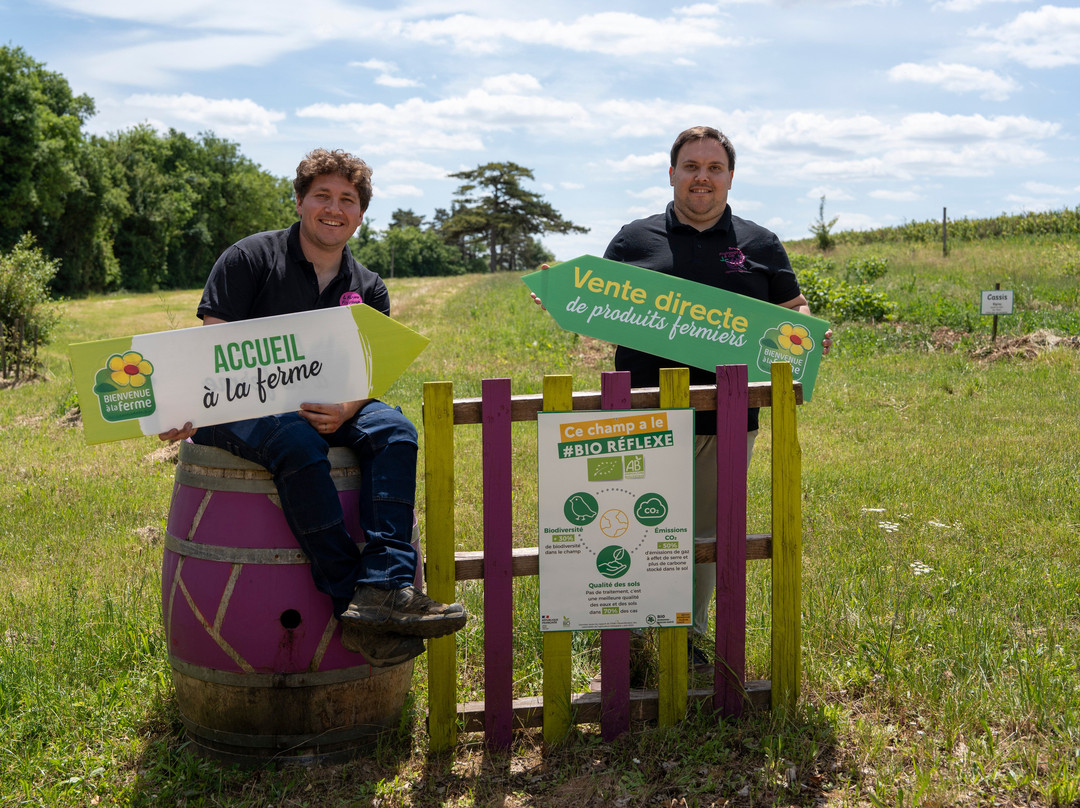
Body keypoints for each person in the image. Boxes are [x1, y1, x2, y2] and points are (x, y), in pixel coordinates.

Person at [159, 148, 466, 667]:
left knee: (395, 429)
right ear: (300, 201)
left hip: (330, 403)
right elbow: (211, 352)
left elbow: (369, 373)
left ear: (361, 215)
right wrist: (182, 402)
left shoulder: (368, 287)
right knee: (294, 438)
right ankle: (351, 596)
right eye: (322, 195)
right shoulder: (250, 258)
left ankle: (387, 584)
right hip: (240, 410)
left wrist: (348, 408)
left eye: (347, 199)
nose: (334, 207)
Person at [605, 126, 830, 663]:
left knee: (704, 534)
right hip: (642, 409)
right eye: (690, 166)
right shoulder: (633, 239)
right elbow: (596, 300)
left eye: (714, 167)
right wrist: (564, 297)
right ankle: (636, 641)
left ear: (730, 176)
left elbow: (792, 308)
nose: (701, 177)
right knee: (634, 523)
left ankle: (688, 638)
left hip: (726, 417)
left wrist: (806, 327)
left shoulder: (760, 243)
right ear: (672, 174)